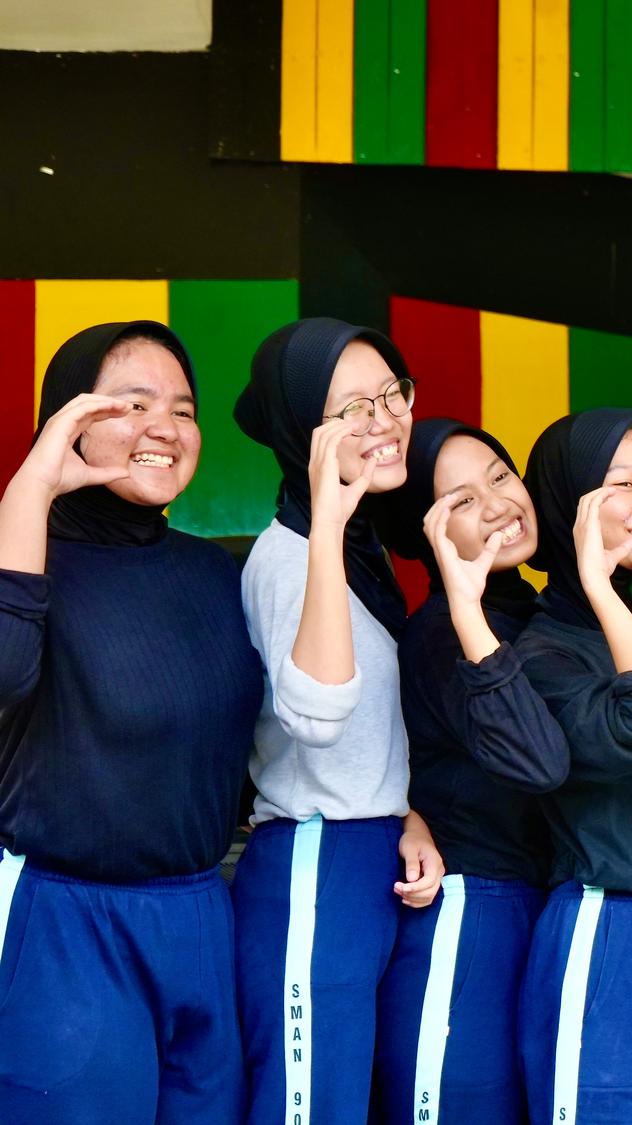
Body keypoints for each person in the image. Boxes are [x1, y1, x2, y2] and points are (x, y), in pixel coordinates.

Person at [0, 322, 262, 1121]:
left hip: (202, 917)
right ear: (68, 419)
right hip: (68, 924)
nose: (164, 427)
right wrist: (32, 488)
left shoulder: (213, 571)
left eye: (183, 409)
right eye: (132, 403)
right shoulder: (25, 560)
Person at [232, 318, 445, 1122]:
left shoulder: (358, 551)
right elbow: (317, 717)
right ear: (303, 431)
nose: (385, 419)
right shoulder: (290, 555)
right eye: (354, 407)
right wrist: (325, 521)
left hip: (366, 857)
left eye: (393, 394)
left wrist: (404, 811)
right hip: (313, 866)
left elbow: (362, 732)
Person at [513, 408, 632, 1124]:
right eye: (622, 484)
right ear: (570, 502)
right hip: (602, 929)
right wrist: (597, 586)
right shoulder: (542, 653)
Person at [374, 418, 570, 1122]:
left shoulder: (540, 615)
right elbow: (537, 761)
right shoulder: (440, 630)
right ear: (425, 531)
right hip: (467, 914)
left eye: (500, 476)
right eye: (460, 500)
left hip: (537, 908)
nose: (496, 505)